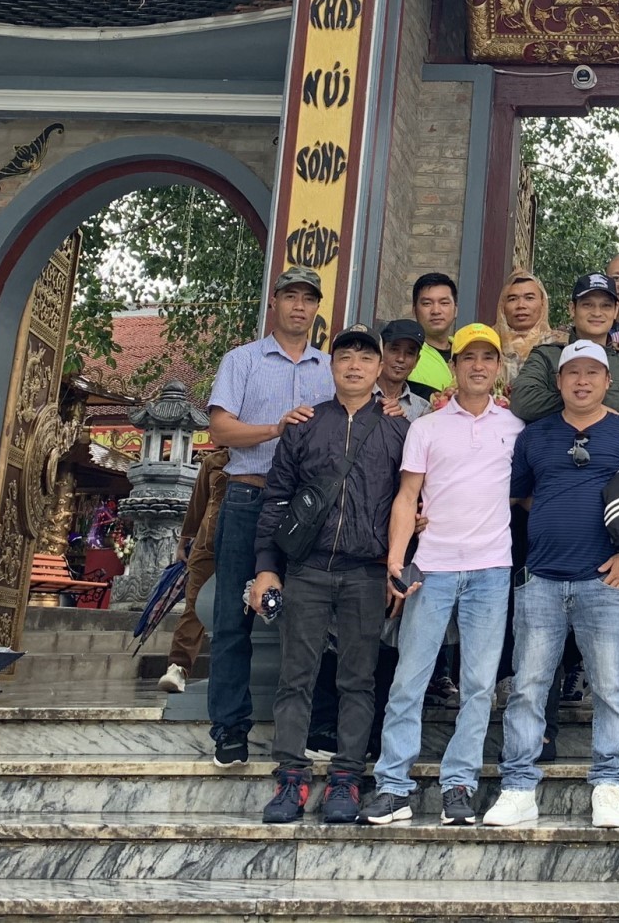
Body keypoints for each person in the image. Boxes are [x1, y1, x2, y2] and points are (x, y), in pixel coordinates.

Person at [485, 340, 619, 830]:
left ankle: (610, 785)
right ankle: (518, 787)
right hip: (540, 578)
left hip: (603, 580)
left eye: (592, 373)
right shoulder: (535, 435)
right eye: (572, 373)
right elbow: (519, 495)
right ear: (558, 382)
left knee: (610, 687)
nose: (582, 381)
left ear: (607, 381)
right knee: (527, 687)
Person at [363, 323, 526, 825]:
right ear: (453, 367)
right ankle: (393, 785)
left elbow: (524, 495)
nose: (478, 366)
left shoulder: (515, 428)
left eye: (487, 357)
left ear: (498, 368)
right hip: (430, 568)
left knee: (478, 685)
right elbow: (407, 496)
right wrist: (395, 558)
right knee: (409, 679)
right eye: (468, 357)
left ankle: (460, 784)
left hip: (491, 570)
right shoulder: (426, 427)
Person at [251, 324, 409, 823]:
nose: (355, 366)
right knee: (296, 676)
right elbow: (276, 500)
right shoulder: (305, 424)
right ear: (332, 365)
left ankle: (346, 778)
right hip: (308, 568)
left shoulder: (398, 429)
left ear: (379, 368)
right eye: (345, 357)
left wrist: (398, 569)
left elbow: (411, 501)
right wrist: (267, 570)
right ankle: (290, 778)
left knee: (358, 680)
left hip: (366, 571)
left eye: (365, 358)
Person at [203, 266, 335, 767]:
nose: (299, 306)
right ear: (274, 302)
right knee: (232, 617)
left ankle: (312, 726)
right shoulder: (243, 360)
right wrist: (275, 429)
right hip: (250, 495)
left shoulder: (330, 367)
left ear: (317, 308)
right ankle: (230, 728)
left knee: (316, 617)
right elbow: (220, 430)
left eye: (308, 299)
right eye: (291, 297)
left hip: (310, 507)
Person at [510, 274, 619, 435]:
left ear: (616, 310)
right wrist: (588, 405)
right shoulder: (546, 356)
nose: (597, 313)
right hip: (551, 448)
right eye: (587, 305)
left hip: (612, 451)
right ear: (572, 309)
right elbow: (521, 402)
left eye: (606, 306)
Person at [159, 445, 229, 694]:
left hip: (244, 544)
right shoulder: (213, 462)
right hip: (206, 544)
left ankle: (229, 672)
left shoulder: (266, 457)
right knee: (194, 606)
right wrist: (184, 541)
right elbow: (197, 503)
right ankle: (178, 667)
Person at [495, 270, 558, 387]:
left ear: (543, 303)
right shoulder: (488, 342)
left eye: (529, 298)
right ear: (502, 306)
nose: (521, 305)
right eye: (512, 299)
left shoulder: (559, 344)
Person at [409, 273, 459, 399]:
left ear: (456, 310)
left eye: (444, 303)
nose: (436, 311)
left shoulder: (466, 348)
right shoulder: (405, 353)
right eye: (427, 303)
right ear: (414, 310)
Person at [377, 318, 436, 418]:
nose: (401, 358)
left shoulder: (423, 410)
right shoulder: (359, 395)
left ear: (416, 361)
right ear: (380, 352)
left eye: (410, 353)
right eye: (394, 350)